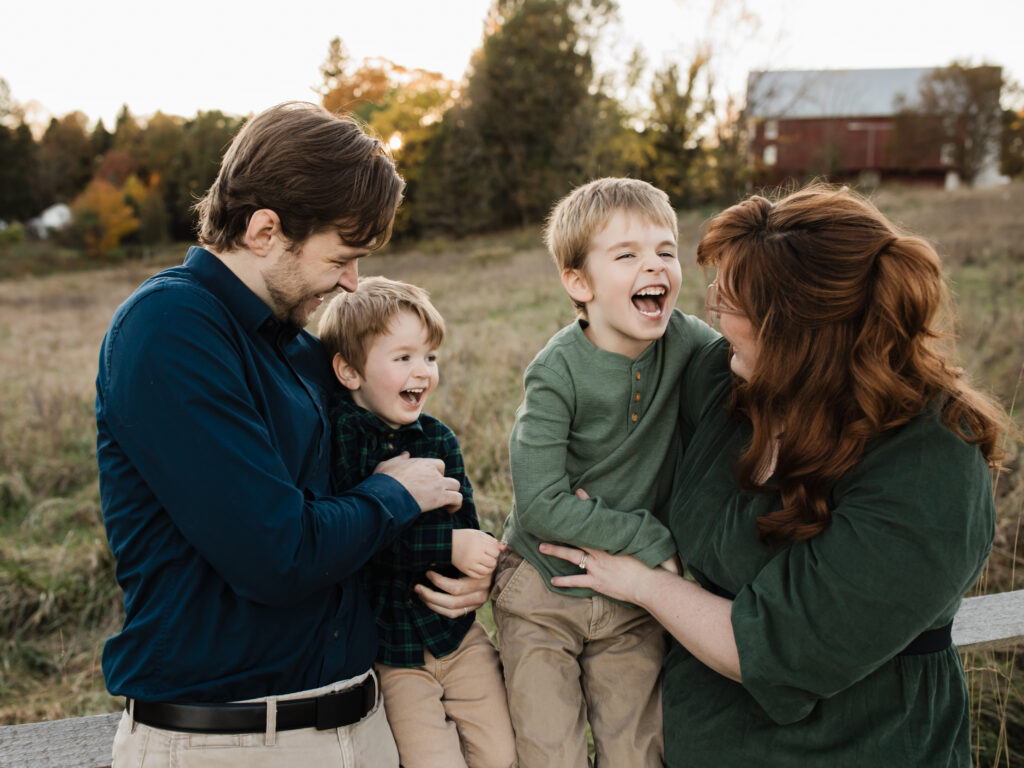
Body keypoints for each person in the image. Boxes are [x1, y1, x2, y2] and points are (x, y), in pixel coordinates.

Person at [540, 184, 1006, 767]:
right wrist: (472, 553)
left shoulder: (928, 467)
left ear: (800, 332)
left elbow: (776, 648)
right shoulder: (730, 381)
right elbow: (596, 433)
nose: (712, 311)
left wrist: (645, 584)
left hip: (860, 748)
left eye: (731, 303)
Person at [95, 102, 488, 768]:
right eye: (341, 257)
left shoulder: (302, 350)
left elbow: (362, 516)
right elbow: (277, 555)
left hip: (364, 725)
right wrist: (393, 496)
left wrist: (454, 563)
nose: (352, 282)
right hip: (229, 742)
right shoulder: (170, 329)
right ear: (265, 230)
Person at [493, 177, 719, 767]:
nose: (655, 265)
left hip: (632, 602)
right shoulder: (556, 371)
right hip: (544, 586)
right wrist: (651, 540)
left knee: (638, 751)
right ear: (579, 283)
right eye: (627, 255)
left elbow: (750, 374)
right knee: (550, 751)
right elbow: (541, 504)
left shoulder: (689, 342)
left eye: (665, 250)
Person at [317, 276, 517, 768]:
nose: (423, 372)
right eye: (403, 357)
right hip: (394, 653)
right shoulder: (341, 440)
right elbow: (359, 538)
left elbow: (464, 519)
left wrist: (477, 553)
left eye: (430, 357)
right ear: (349, 371)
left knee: (500, 753)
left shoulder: (437, 438)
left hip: (456, 633)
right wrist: (448, 547)